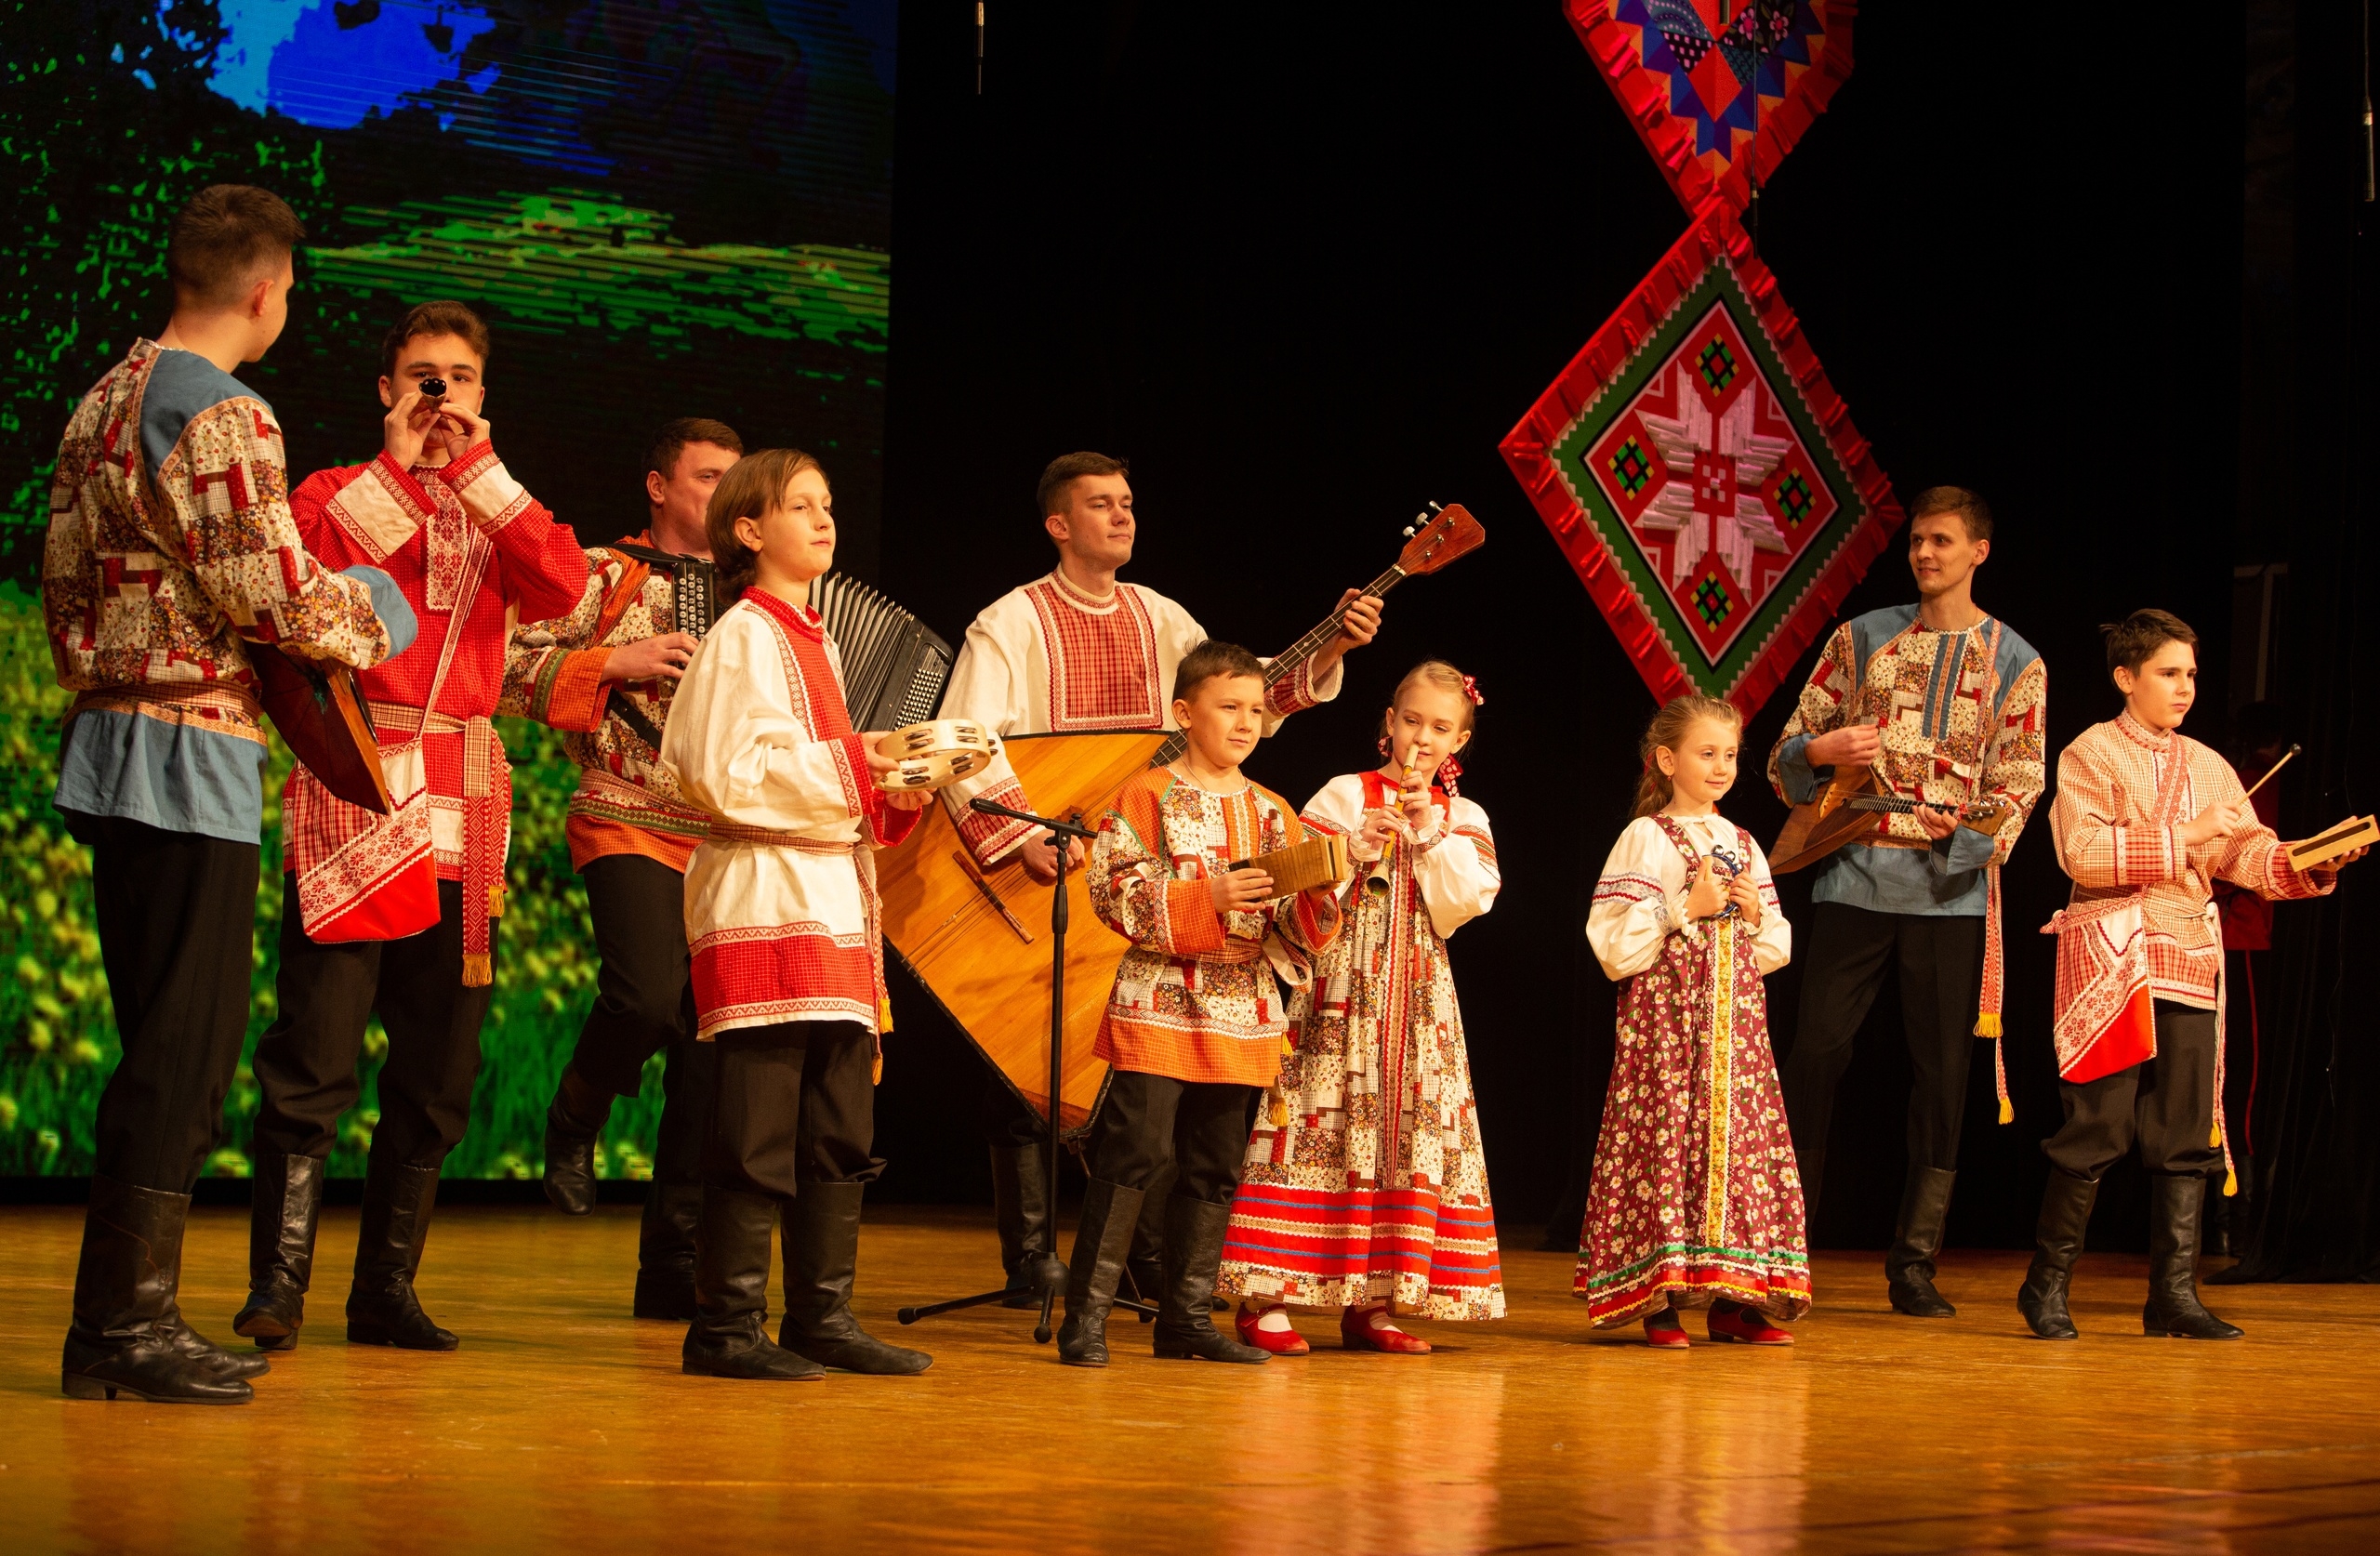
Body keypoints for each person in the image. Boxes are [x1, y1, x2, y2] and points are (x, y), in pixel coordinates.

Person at [44, 185, 409, 1404]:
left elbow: (62, 578)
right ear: (265, 291)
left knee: (161, 1037)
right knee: (187, 1049)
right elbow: (274, 600)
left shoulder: (106, 396)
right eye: (290, 291)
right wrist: (382, 611)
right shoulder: (228, 411)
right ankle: (122, 1326)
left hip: (105, 736)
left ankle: (122, 1318)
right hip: (187, 754)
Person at [938, 451, 1383, 1309]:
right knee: (1028, 1072)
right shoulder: (1011, 622)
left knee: (1142, 1093)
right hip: (1054, 863)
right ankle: (1032, 1261)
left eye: (1129, 503)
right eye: (1100, 505)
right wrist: (1017, 834)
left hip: (1160, 853)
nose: (1122, 516)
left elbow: (1236, 698)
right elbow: (964, 735)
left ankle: (1149, 1271)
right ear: (1058, 525)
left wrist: (1329, 642)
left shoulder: (1164, 617)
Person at [238, 300, 590, 1353]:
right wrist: (401, 472)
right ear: (386, 390)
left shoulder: (499, 508)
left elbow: (565, 584)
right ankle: (278, 1290)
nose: (440, 395)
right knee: (316, 1052)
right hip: (359, 777)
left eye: (459, 379)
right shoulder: (333, 492)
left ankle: (383, 1291)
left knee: (439, 1070)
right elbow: (303, 575)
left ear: (484, 397)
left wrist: (480, 480)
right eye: (420, 376)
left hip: (464, 796)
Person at [659, 448, 935, 1381]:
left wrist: (897, 773)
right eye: (801, 506)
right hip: (768, 895)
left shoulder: (814, 636)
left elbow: (829, 771)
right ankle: (727, 1327)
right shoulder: (742, 634)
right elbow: (724, 773)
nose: (824, 519)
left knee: (835, 1123)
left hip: (831, 904)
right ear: (748, 531)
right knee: (758, 1125)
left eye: (829, 503)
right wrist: (866, 759)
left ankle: (822, 1314)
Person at [2020, 612, 2357, 1342]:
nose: (2184, 688)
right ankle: (2046, 1285)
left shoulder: (2209, 764)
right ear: (2126, 678)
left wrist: (2306, 864)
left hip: (2188, 959)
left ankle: (2172, 1295)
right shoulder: (2090, 754)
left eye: (2192, 675)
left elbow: (2248, 857)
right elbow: (2081, 853)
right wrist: (2183, 837)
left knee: (2182, 1134)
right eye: (2170, 673)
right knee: (2099, 1126)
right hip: (2113, 956)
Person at [1765, 486, 2046, 1317]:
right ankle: (1785, 1249)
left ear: (1979, 551)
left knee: (1942, 1074)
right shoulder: (1861, 639)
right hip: (1854, 874)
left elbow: (2022, 781)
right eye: (1918, 541)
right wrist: (1823, 746)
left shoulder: (2015, 660)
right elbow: (1789, 746)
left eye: (1943, 541)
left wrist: (1961, 845)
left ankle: (1914, 1262)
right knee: (1816, 1051)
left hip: (1948, 895)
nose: (1926, 554)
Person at [502, 417, 744, 1320]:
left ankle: (671, 1270)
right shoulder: (605, 572)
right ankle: (575, 1115)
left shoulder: (751, 598)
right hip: (625, 813)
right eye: (708, 478)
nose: (725, 497)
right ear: (659, 485)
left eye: (735, 481)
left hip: (723, 841)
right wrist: (616, 660)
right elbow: (506, 670)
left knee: (708, 1048)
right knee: (643, 994)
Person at [1055, 640, 1344, 1367]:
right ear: (1186, 714)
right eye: (1229, 708)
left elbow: (1297, 931)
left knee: (1215, 1164)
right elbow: (1110, 889)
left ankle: (1183, 1317)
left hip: (1243, 1008)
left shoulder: (1273, 812)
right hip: (1159, 997)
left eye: (1255, 710)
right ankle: (1085, 1319)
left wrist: (1316, 894)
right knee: (1135, 1153)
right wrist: (1201, 897)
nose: (1246, 723)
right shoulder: (1144, 795)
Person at [1218, 661, 1503, 1355]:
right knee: (1320, 1124)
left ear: (1459, 741)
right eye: (1410, 721)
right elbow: (1288, 886)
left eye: (1440, 728)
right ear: (1387, 723)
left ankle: (1376, 1300)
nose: (1421, 738)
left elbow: (1467, 903)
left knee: (1406, 1134)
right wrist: (1353, 850)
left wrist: (1429, 831)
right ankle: (1267, 1296)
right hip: (1342, 992)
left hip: (1421, 1000)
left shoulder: (1463, 816)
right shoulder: (1345, 794)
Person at [1581, 695, 1806, 1348]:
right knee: (1666, 1144)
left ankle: (1733, 1299)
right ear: (1667, 760)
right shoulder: (1646, 836)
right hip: (1668, 1033)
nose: (1720, 766)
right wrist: (1687, 905)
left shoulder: (1742, 842)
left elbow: (1774, 946)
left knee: (1737, 1153)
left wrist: (1753, 915)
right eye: (1706, 754)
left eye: (1729, 755)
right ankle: (1661, 1296)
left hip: (1734, 1037)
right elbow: (1614, 944)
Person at [2208, 701, 2288, 1256]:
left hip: (2249, 937)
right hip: (2235, 937)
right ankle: (2234, 1215)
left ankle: (2239, 1213)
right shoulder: (2244, 781)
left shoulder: (2258, 779)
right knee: (2239, 1077)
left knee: (2244, 1077)